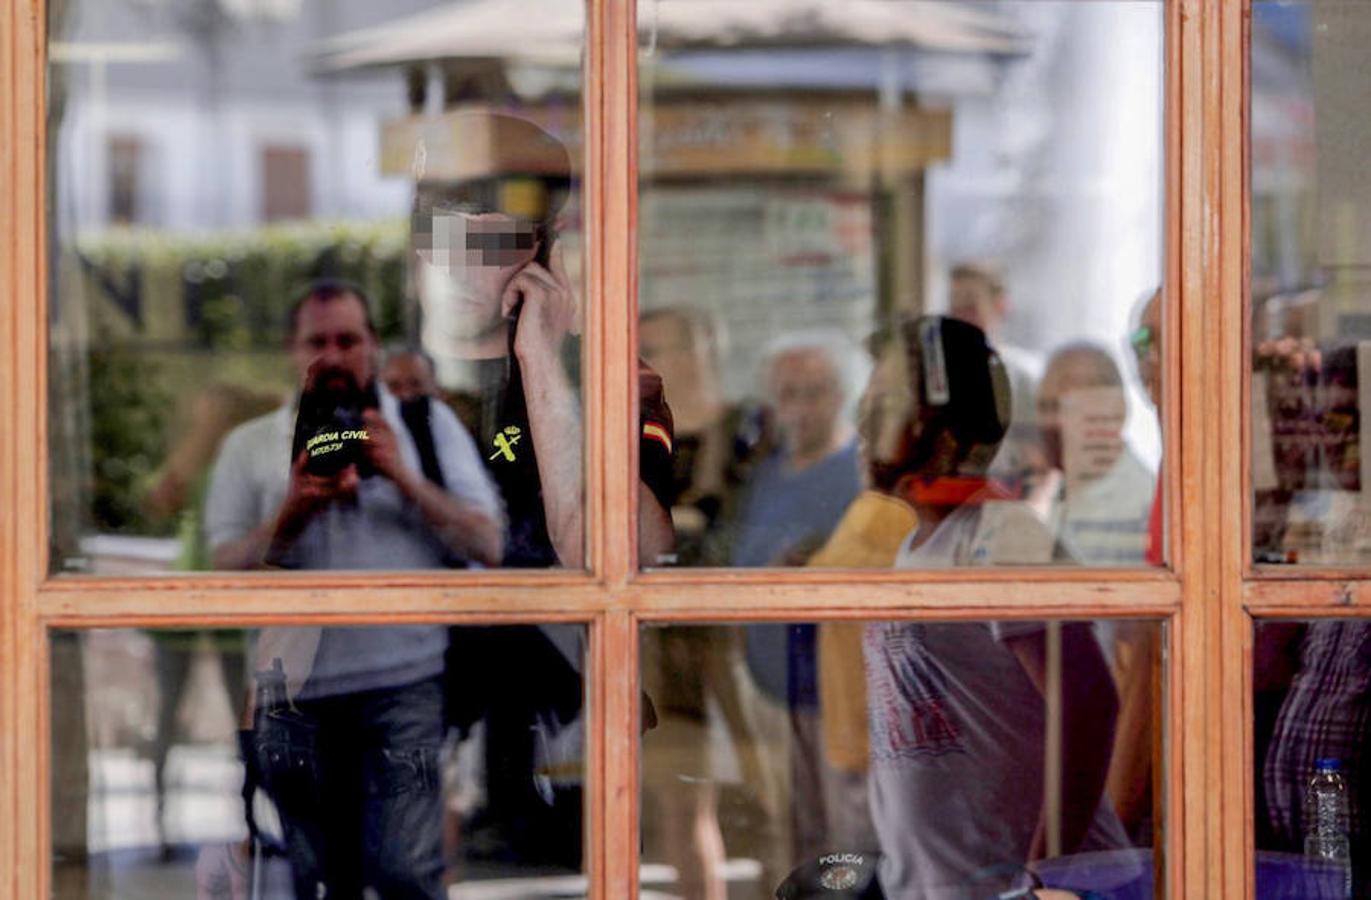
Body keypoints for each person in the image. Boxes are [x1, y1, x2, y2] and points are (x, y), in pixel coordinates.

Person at [410, 111, 675, 867]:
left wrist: (544, 365)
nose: (459, 266)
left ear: (543, 244)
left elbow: (625, 550)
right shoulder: (379, 377)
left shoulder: (614, 381)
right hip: (413, 743)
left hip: (560, 754)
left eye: (490, 243)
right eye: (441, 233)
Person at [204, 278, 503, 899]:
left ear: (372, 346)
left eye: (349, 339)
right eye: (319, 341)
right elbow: (219, 577)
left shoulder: (425, 427)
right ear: (293, 350)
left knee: (407, 874)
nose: (335, 356)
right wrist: (290, 516)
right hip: (292, 698)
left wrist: (404, 478)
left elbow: (489, 544)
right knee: (319, 882)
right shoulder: (251, 446)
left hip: (405, 684)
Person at [856, 316, 1125, 896]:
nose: (861, 423)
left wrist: (1044, 875)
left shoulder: (1005, 534)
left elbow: (1090, 702)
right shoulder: (918, 544)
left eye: (884, 405)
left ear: (946, 436)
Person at [1033, 343, 1154, 566]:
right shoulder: (1048, 496)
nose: (1053, 422)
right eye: (1046, 407)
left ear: (1117, 411)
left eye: (1068, 407)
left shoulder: (1145, 507)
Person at [946, 262, 1043, 486]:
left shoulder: (1025, 378)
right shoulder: (934, 379)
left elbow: (1041, 458)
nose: (960, 315)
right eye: (954, 305)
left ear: (1000, 305)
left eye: (970, 305)